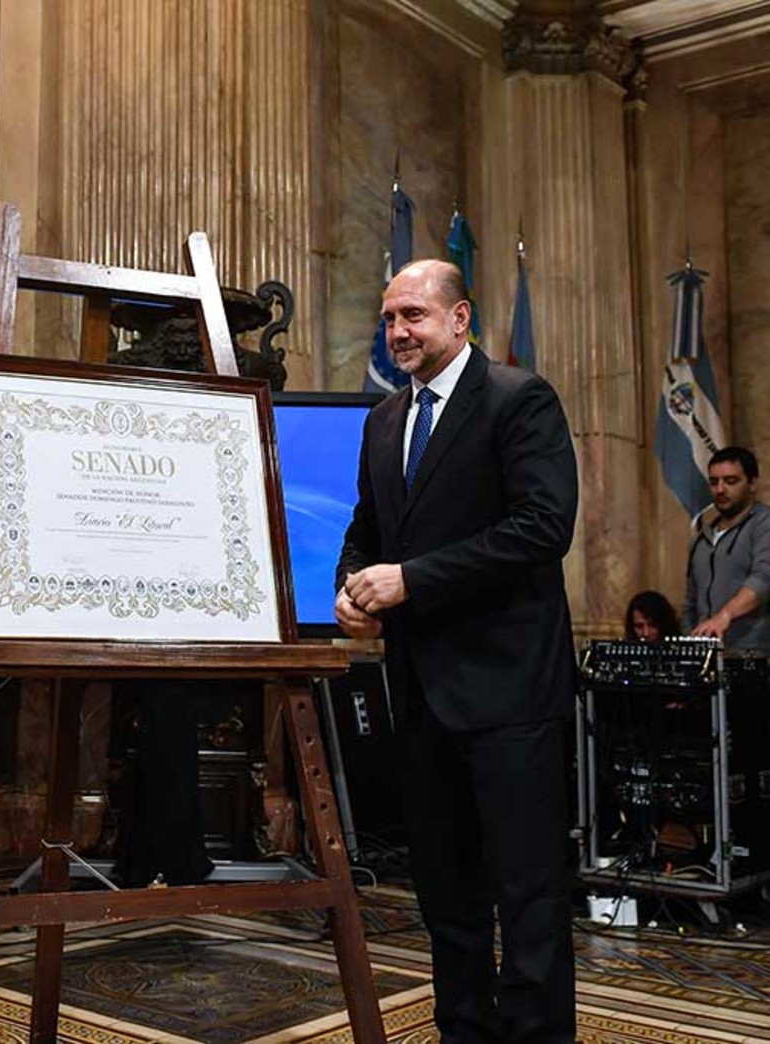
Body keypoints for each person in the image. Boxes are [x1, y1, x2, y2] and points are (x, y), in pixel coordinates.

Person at [336, 259, 579, 1044]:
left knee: (527, 894)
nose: (397, 331)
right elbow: (367, 531)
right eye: (388, 319)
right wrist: (350, 591)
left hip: (510, 692)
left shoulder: (518, 398)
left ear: (459, 317)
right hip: (419, 692)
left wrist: (410, 581)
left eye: (412, 315)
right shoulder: (382, 421)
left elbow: (542, 528)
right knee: (445, 895)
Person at [683, 446, 770, 651]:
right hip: (707, 656)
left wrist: (725, 615)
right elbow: (690, 604)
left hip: (755, 655)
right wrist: (689, 645)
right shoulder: (701, 539)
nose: (720, 489)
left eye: (731, 481)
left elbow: (764, 579)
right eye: (714, 482)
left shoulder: (764, 524)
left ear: (752, 484)